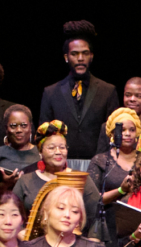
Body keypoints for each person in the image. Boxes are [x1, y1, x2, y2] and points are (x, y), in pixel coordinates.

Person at [39, 20, 119, 159]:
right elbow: (43, 132)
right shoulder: (51, 92)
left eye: (85, 53)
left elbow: (113, 131)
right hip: (61, 162)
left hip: (97, 162)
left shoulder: (107, 91)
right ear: (66, 57)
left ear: (91, 56)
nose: (80, 58)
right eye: (75, 54)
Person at [0, 104, 39, 189]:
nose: (19, 130)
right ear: (6, 128)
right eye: (13, 126)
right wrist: (6, 184)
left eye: (24, 125)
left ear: (30, 127)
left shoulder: (42, 153)